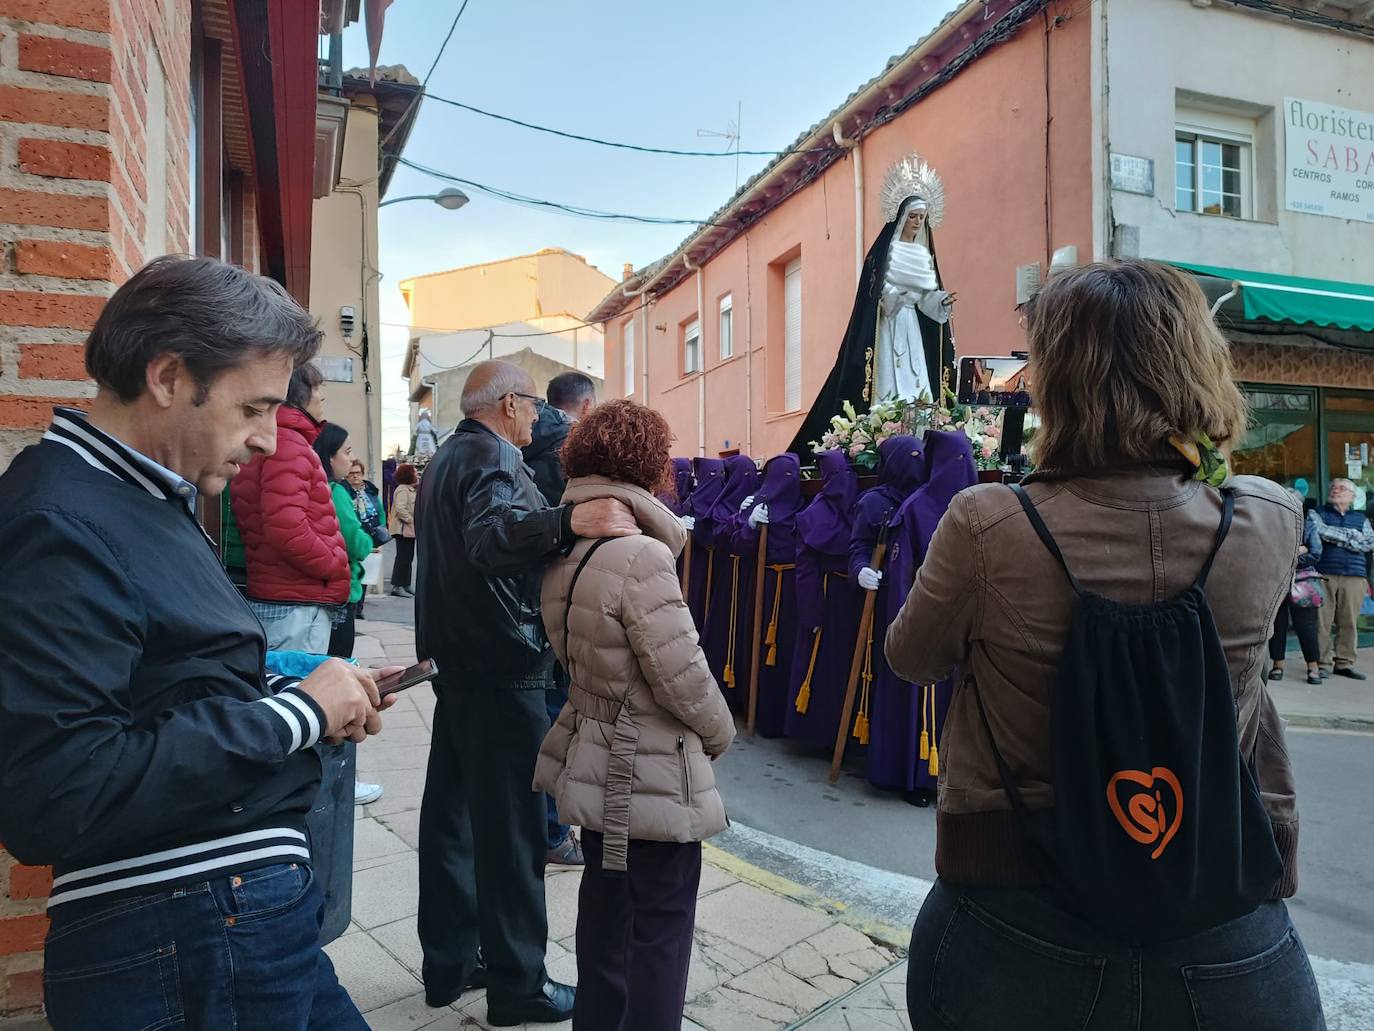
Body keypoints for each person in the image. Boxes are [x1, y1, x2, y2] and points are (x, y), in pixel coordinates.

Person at [886, 260, 1320, 1029]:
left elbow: (910, 657)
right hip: (1224, 921)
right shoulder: (1267, 516)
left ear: (1054, 380)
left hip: (1014, 919)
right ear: (1197, 363)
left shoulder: (987, 523)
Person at [0, 255, 399, 1029]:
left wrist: (298, 693)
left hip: (217, 919)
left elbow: (167, 689)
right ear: (170, 376)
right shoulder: (63, 518)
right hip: (187, 927)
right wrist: (300, 714)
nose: (268, 443)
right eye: (255, 409)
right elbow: (59, 790)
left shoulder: (129, 495)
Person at [413, 359, 638, 1023]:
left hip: (460, 661)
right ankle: (519, 982)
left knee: (452, 818)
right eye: (533, 405)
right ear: (509, 402)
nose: (537, 417)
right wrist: (568, 523)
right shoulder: (491, 456)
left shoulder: (452, 455)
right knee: (512, 832)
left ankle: (450, 961)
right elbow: (489, 541)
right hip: (500, 664)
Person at [534, 399, 736, 1031]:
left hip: (594, 753)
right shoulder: (640, 554)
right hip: (647, 767)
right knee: (660, 929)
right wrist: (719, 732)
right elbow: (683, 675)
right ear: (649, 465)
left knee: (606, 910)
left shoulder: (568, 542)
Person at [788, 152, 955, 454]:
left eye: (922, 217)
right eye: (913, 216)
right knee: (892, 382)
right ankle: (886, 427)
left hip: (912, 329)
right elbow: (874, 299)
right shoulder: (883, 255)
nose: (918, 222)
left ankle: (919, 429)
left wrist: (939, 304)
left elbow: (927, 304)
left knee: (918, 380)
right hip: (889, 328)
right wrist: (896, 298)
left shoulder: (924, 255)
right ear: (902, 217)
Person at [522, 370, 599, 867]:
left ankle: (543, 827)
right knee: (559, 717)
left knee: (540, 714)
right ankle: (553, 831)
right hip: (565, 595)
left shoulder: (519, 443)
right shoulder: (579, 451)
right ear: (587, 406)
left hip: (521, 596)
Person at [231, 361, 348, 653]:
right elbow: (286, 526)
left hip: (283, 595)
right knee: (300, 691)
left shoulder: (276, 438)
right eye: (317, 388)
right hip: (295, 603)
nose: (322, 397)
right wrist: (333, 564)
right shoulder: (288, 443)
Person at [315, 426, 377, 663]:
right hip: (340, 591)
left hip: (318, 592)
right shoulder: (336, 491)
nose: (351, 460)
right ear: (330, 456)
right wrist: (368, 539)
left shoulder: (314, 486)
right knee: (338, 664)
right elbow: (356, 543)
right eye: (347, 451)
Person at [1312, 477, 1374, 680]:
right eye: (1333, 487)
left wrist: (1340, 536)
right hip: (1325, 573)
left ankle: (1344, 663)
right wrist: (1352, 536)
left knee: (1349, 622)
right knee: (1322, 621)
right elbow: (1321, 532)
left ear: (1352, 496)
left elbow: (1369, 543)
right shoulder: (1317, 513)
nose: (1335, 490)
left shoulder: (1361, 518)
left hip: (1355, 576)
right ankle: (1322, 663)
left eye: (1341, 488)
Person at [1270, 490, 1325, 686]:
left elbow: (1316, 553)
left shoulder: (1308, 523)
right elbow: (1269, 552)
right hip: (1276, 579)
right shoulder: (1272, 523)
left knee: (1307, 626)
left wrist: (1289, 555)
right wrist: (1299, 549)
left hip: (1302, 582)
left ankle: (1313, 667)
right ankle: (1278, 665)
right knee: (1277, 625)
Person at [388, 462, 418, 597]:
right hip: (402, 530)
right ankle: (398, 585)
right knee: (403, 558)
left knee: (408, 557)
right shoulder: (402, 490)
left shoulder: (410, 489)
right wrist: (411, 520)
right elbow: (400, 508)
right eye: (415, 472)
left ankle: (405, 584)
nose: (417, 475)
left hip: (408, 530)